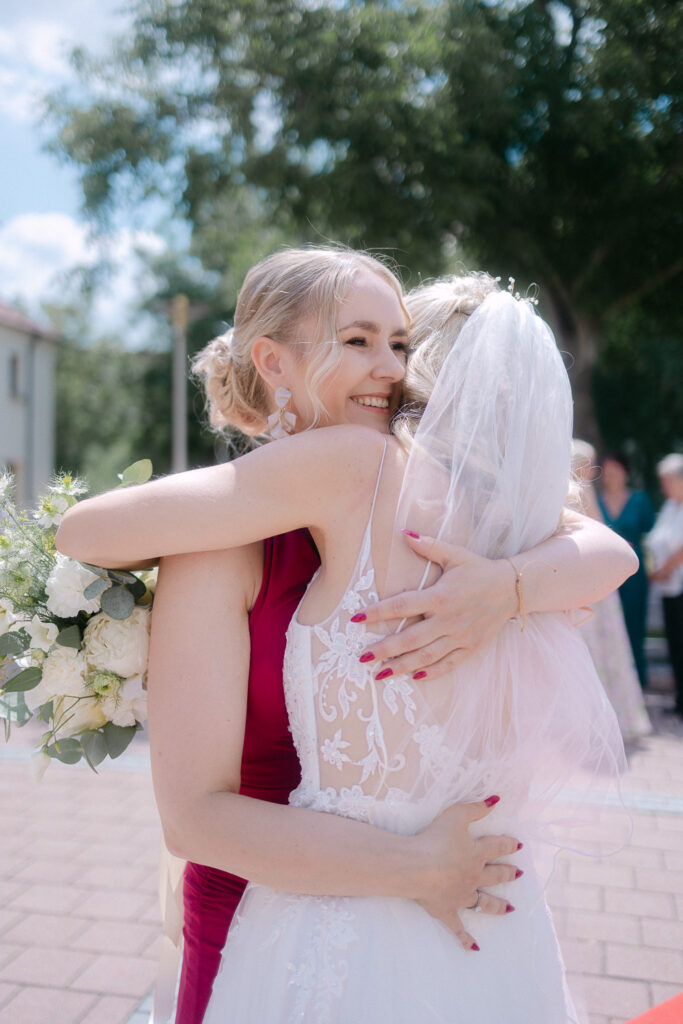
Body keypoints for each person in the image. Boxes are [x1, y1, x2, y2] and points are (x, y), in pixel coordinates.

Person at [57, 262, 637, 1022]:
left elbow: (604, 552)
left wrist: (506, 587)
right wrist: (418, 866)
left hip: (442, 900)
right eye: (359, 342)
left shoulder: (450, 521)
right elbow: (195, 813)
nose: (389, 370)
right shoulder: (223, 536)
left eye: (399, 345)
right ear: (275, 364)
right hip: (269, 889)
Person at [571, 441, 652, 742]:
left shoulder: (564, 491)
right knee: (602, 649)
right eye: (589, 464)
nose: (594, 471)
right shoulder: (583, 491)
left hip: (584, 582)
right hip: (594, 583)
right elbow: (600, 534)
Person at [597, 452, 655, 688]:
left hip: (633, 573)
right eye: (606, 471)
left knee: (634, 625)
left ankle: (638, 683)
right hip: (603, 573)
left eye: (615, 470)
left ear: (625, 472)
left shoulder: (639, 500)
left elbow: (653, 536)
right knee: (606, 628)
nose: (610, 476)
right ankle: (611, 684)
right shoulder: (594, 499)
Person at [648, 453, 683, 719]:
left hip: (677, 582)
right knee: (675, 643)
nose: (664, 486)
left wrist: (665, 569)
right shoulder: (671, 508)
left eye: (668, 481)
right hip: (669, 588)